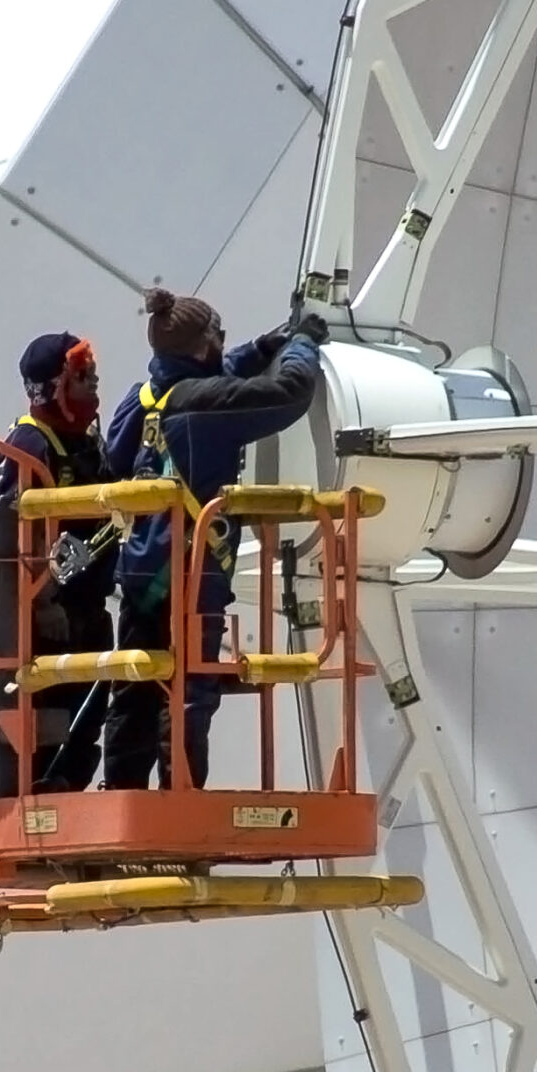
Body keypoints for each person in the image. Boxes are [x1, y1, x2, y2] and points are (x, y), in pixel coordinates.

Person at [100, 289, 326, 791]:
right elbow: (286, 393)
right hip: (190, 573)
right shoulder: (204, 408)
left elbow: (117, 459)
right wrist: (302, 345)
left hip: (140, 568)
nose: (223, 346)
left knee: (135, 683)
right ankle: (179, 804)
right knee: (187, 691)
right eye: (218, 338)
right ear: (203, 346)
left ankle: (122, 798)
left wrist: (266, 344)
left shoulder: (143, 399)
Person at [0, 331, 114, 792]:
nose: (94, 383)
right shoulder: (28, 446)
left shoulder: (86, 441)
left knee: (91, 707)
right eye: (82, 376)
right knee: (47, 716)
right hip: (44, 618)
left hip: (88, 609)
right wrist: (41, 603)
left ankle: (64, 787)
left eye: (94, 374)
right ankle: (37, 787)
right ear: (54, 387)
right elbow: (4, 537)